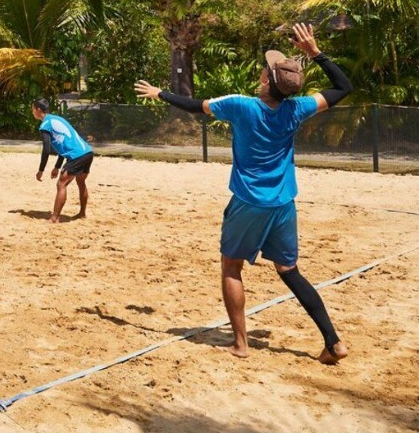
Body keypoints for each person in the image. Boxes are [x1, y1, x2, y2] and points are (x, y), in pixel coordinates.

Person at [134, 23, 354, 364]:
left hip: (249, 202)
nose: (263, 70)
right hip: (283, 203)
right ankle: (333, 342)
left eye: (266, 69)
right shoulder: (297, 108)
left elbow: (195, 105)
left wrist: (160, 93)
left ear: (266, 81)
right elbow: (343, 87)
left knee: (231, 268)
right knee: (289, 270)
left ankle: (240, 344)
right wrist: (315, 53)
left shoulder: (241, 105)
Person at [31, 98, 94, 222]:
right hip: (87, 153)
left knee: (61, 184)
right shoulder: (58, 119)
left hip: (77, 156)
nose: (32, 112)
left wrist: (41, 170)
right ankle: (82, 214)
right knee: (81, 182)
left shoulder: (45, 125)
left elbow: (46, 149)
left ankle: (54, 218)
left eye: (33, 109)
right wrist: (57, 167)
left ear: (38, 110)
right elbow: (63, 145)